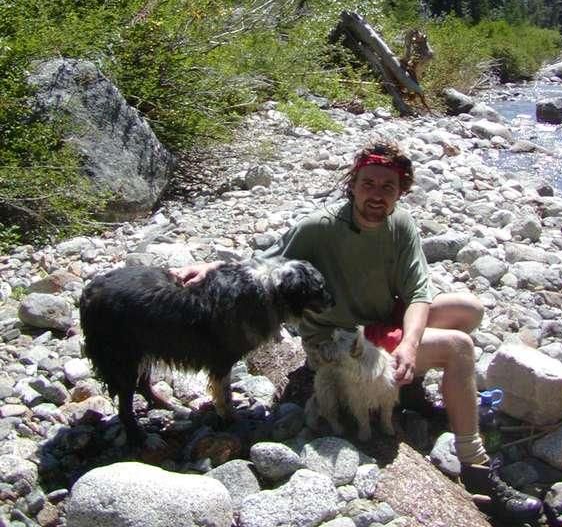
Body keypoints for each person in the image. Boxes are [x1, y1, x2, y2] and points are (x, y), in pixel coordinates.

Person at [173, 139, 541, 523]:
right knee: (459, 347)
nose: (377, 195)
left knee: (469, 309)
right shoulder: (319, 228)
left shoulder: (400, 225)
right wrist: (212, 268)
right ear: (353, 184)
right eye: (369, 184)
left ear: (401, 191)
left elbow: (418, 293)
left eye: (388, 187)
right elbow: (265, 265)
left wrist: (410, 345)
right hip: (339, 342)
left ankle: (405, 388)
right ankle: (476, 468)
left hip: (380, 326)